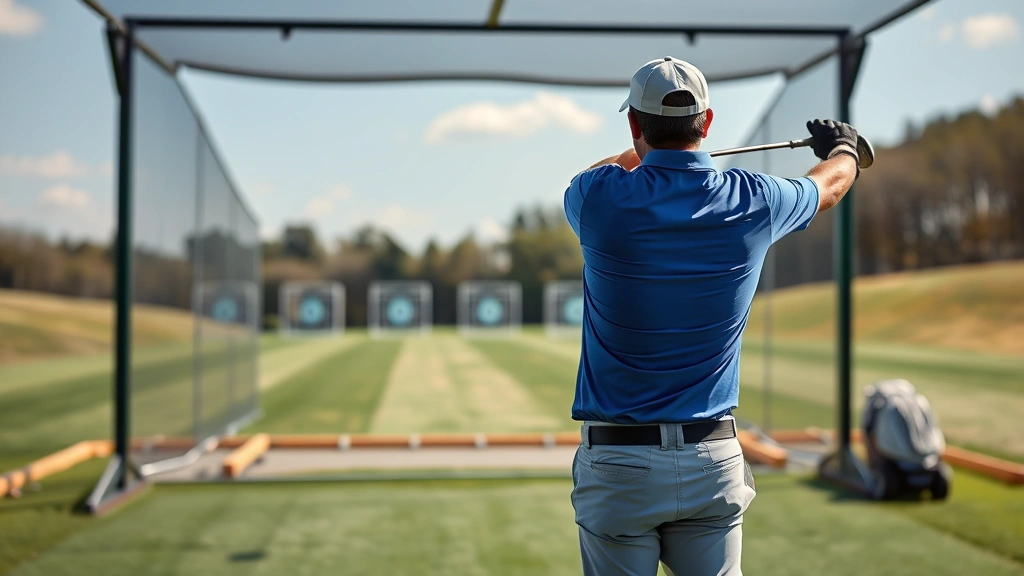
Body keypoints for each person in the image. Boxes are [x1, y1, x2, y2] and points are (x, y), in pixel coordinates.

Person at [564, 57, 860, 576]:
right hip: (711, 461)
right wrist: (845, 147)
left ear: (634, 125)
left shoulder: (599, 200)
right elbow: (830, 185)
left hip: (619, 464)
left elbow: (598, 170)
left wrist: (645, 153)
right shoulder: (754, 199)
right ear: (708, 122)